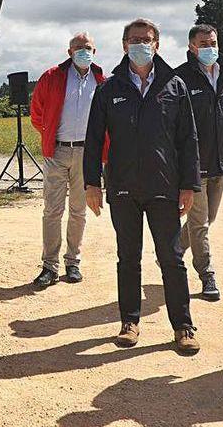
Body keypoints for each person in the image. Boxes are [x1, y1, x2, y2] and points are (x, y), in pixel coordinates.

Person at [84, 18, 201, 354]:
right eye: (134, 39)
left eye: (146, 39)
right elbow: (93, 141)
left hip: (165, 186)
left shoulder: (174, 85)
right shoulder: (109, 88)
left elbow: (187, 139)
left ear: (157, 45)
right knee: (128, 257)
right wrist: (92, 183)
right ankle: (129, 322)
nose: (140, 44)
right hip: (123, 186)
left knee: (172, 258)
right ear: (124, 45)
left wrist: (189, 184)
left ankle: (183, 327)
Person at [29, 33, 106, 287]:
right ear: (69, 51)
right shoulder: (52, 76)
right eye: (78, 47)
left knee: (78, 211)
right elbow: (37, 112)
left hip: (87, 154)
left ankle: (73, 263)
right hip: (57, 151)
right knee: (52, 210)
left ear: (94, 51)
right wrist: (49, 133)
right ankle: (49, 266)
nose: (83, 51)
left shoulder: (101, 80)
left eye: (88, 48)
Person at [172, 24, 223, 302]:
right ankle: (206, 273)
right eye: (204, 43)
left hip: (220, 160)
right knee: (199, 223)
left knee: (208, 218)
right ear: (192, 47)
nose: (210, 48)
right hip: (193, 163)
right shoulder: (181, 78)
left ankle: (172, 248)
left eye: (213, 42)